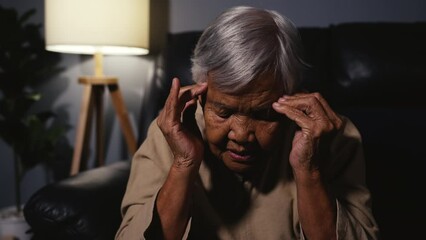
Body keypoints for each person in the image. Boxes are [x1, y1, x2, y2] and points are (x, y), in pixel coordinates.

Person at [115, 6, 380, 240]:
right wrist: (184, 165)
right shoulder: (169, 131)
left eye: (264, 114)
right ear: (201, 92)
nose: (241, 135)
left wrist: (309, 170)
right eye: (223, 111)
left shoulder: (335, 136)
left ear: (291, 94)